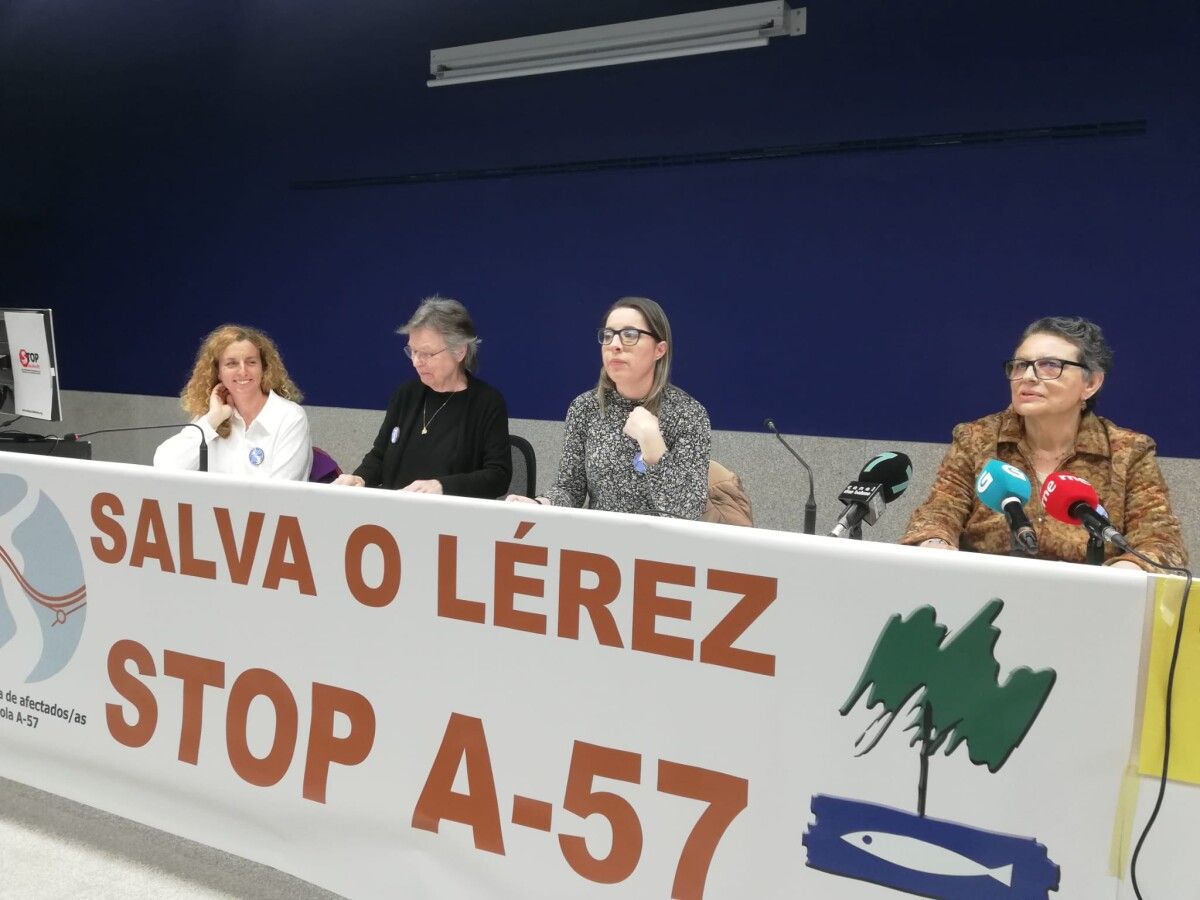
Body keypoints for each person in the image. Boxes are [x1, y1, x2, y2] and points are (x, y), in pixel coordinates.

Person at [901, 316, 1186, 570]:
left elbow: (1160, 542)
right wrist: (934, 544)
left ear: (1091, 383)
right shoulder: (976, 439)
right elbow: (937, 514)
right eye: (1021, 365)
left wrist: (1124, 574)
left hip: (1090, 608)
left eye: (1050, 366)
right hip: (986, 602)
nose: (1027, 376)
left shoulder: (1128, 452)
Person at [508, 296, 710, 518]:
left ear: (659, 350)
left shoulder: (688, 414)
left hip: (660, 548)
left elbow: (687, 512)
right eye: (608, 335)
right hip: (601, 544)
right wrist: (540, 504)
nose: (614, 345)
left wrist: (653, 445)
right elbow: (570, 490)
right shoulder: (585, 408)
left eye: (630, 335)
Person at [334, 296, 510, 497]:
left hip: (453, 520)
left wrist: (442, 486)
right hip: (395, 515)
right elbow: (380, 456)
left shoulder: (486, 403)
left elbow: (498, 476)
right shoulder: (406, 395)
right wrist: (360, 478)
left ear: (460, 351)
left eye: (426, 353)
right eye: (413, 351)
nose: (416, 362)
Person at [154, 324, 312, 479]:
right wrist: (212, 420)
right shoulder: (215, 416)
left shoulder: (290, 416)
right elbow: (165, 465)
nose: (243, 371)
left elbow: (280, 491)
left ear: (264, 368)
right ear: (218, 373)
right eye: (232, 363)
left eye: (251, 362)